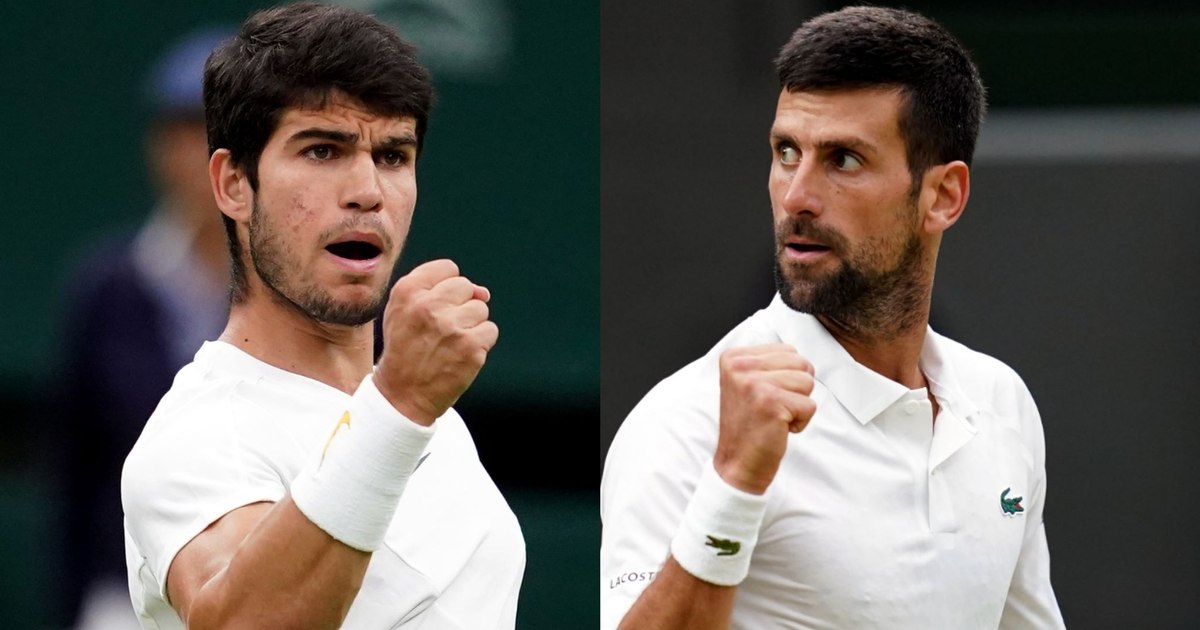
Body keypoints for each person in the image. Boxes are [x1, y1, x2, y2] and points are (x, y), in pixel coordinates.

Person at [600, 6, 1065, 629]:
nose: (797, 196)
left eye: (843, 159)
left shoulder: (1001, 404)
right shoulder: (685, 423)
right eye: (786, 151)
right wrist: (734, 483)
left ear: (943, 196)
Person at [121, 4, 524, 628]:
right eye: (322, 151)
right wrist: (399, 403)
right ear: (233, 184)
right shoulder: (196, 437)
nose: (367, 190)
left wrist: (400, 404)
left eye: (393, 156)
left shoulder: (430, 421)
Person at [51, 28, 230, 630]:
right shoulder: (105, 288)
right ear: (160, 148)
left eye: (229, 134)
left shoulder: (313, 297)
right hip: (122, 599)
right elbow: (76, 469)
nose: (208, 157)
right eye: (189, 133)